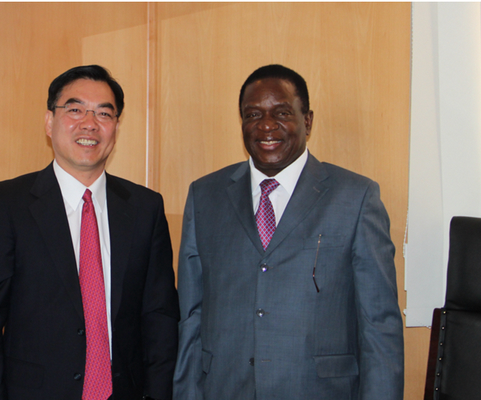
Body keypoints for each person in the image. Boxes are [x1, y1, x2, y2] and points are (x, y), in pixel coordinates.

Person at [173, 64, 404, 399]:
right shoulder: (205, 195)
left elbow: (379, 325)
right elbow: (191, 317)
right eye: (253, 114)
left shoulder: (356, 198)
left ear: (307, 121)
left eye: (281, 113)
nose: (266, 125)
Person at [0, 65, 179, 400]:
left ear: (116, 127)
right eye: (75, 110)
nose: (90, 123)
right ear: (50, 122)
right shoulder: (7, 204)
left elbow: (159, 316)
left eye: (104, 113)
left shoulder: (144, 208)